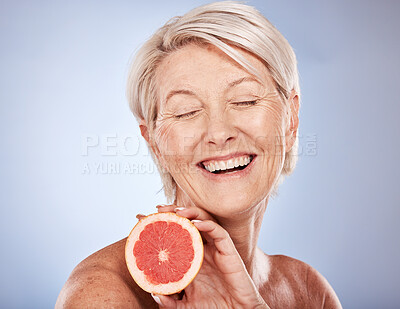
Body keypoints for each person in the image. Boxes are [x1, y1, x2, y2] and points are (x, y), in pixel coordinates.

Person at [56, 1, 342, 308]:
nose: (219, 133)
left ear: (291, 120)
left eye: (244, 101)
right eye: (187, 112)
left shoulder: (309, 291)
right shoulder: (102, 294)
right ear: (154, 143)